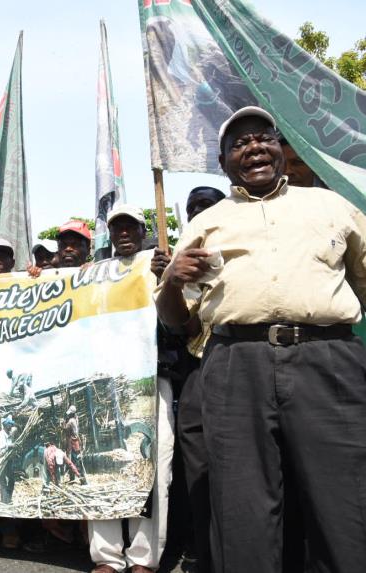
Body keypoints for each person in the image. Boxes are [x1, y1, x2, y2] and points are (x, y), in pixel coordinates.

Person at [155, 106, 366, 572]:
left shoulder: (332, 206)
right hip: (235, 364)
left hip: (329, 360)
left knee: (344, 499)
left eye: (262, 137)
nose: (253, 148)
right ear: (223, 161)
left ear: (280, 147)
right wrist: (171, 281)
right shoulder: (207, 222)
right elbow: (175, 320)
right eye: (238, 144)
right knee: (242, 506)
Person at [89, 204, 174, 573]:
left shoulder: (158, 263)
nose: (124, 233)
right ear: (110, 234)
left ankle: (143, 557)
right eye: (117, 228)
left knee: (155, 469)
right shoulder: (94, 273)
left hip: (150, 377)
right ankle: (107, 556)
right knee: (101, 469)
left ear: (143, 232)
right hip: (105, 383)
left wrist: (168, 276)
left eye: (131, 227)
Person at [149, 185, 225, 572]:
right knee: (192, 467)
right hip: (191, 370)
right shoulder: (180, 258)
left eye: (208, 206)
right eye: (193, 207)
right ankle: (200, 547)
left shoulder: (233, 248)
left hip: (239, 364)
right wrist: (170, 283)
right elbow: (181, 325)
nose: (200, 213)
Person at [63, 405, 87, 485]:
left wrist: (63, 422)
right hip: (75, 444)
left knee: (75, 463)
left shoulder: (70, 422)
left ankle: (83, 480)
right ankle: (73, 479)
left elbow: (65, 429)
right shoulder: (75, 419)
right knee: (73, 462)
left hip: (72, 445)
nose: (68, 415)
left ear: (72, 414)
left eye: (69, 414)